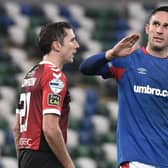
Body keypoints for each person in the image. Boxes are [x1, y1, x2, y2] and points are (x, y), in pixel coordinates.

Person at [79, 6, 168, 168]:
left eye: (166, 26)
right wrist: (110, 54)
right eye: (156, 24)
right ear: (147, 29)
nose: (160, 30)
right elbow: (86, 68)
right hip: (136, 160)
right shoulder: (128, 60)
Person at [13, 21, 79, 168]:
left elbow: (16, 128)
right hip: (45, 156)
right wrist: (69, 165)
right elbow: (50, 128)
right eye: (72, 40)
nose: (77, 45)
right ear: (56, 45)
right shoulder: (54, 76)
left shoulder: (30, 75)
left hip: (26, 156)